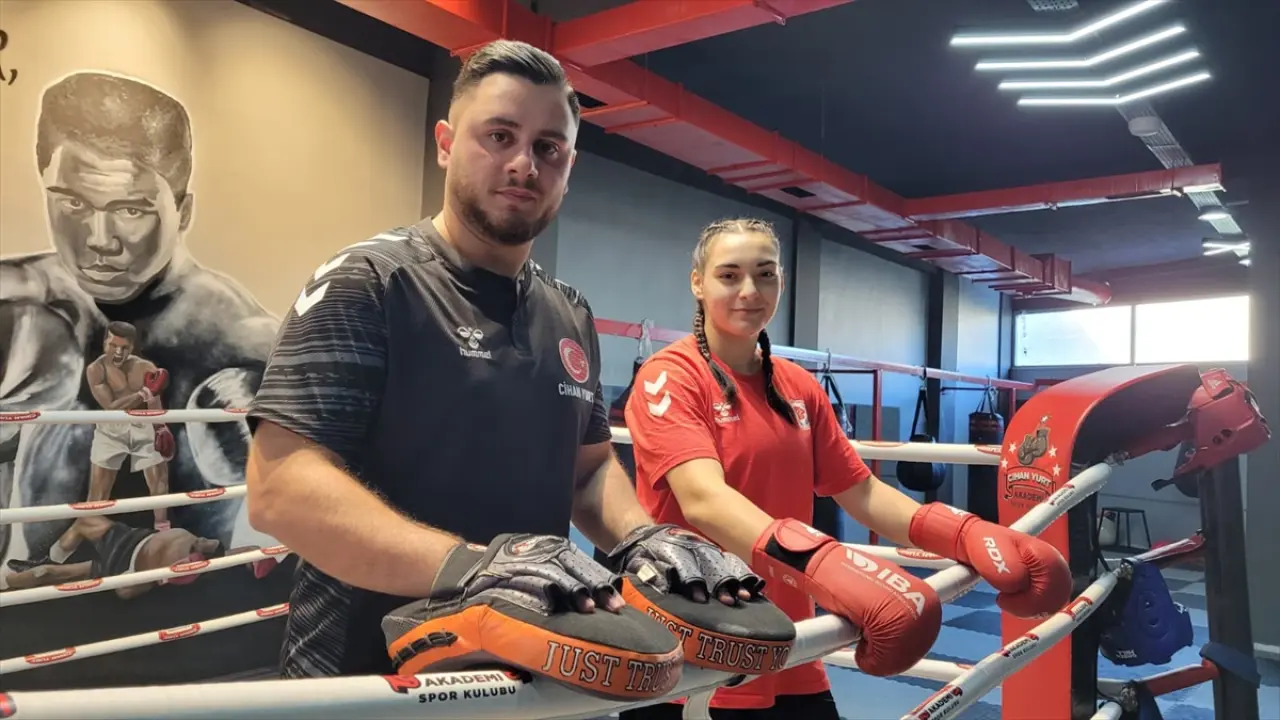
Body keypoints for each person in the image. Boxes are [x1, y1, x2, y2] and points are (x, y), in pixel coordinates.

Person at [243, 40, 760, 681]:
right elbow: (280, 489)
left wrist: (639, 538)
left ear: (569, 166)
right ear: (445, 143)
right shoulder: (371, 282)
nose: (523, 164)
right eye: (499, 136)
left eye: (548, 147)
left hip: (526, 672)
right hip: (368, 679)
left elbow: (587, 471)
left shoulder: (570, 311)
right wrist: (471, 569)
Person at [621, 218, 1075, 719]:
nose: (749, 290)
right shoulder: (672, 377)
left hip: (792, 641)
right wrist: (827, 566)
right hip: (698, 649)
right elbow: (703, 498)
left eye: (765, 274)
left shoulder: (797, 385)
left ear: (781, 282)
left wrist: (965, 534)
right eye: (729, 275)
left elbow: (860, 491)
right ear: (698, 283)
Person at [0, 71, 279, 562]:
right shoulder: (19, 305)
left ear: (183, 211)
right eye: (73, 202)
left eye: (131, 210)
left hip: (175, 597)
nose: (99, 240)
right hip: (36, 589)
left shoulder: (242, 342)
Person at [1, 514, 257, 600]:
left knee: (83, 524)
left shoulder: (180, 555)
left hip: (127, 552)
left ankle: (15, 578)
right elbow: (219, 548)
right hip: (132, 547)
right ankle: (29, 572)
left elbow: (126, 591)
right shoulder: (193, 547)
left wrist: (154, 579)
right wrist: (252, 553)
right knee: (51, 571)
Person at [81, 322, 176, 531]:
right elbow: (111, 406)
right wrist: (144, 393)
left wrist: (160, 427)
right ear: (105, 343)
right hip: (111, 428)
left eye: (124, 348)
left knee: (159, 482)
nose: (118, 352)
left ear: (132, 347)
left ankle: (162, 530)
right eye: (113, 345)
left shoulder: (145, 367)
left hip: (143, 423)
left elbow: (153, 400)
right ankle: (83, 537)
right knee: (98, 493)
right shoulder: (96, 370)